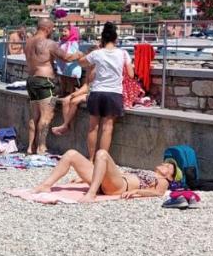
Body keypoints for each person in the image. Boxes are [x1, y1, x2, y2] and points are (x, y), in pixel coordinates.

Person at [31, 149, 177, 204]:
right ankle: (46, 184)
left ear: (170, 177)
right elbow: (116, 173)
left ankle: (92, 193)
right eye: (165, 163)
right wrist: (86, 178)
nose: (164, 165)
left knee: (102, 154)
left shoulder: (162, 181)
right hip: (111, 181)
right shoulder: (148, 172)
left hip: (119, 187)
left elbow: (158, 192)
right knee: (71, 154)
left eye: (168, 167)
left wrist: (137, 191)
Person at [25, 19, 83, 155]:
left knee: (34, 116)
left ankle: (30, 147)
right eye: (52, 29)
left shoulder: (28, 42)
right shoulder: (49, 43)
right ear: (47, 28)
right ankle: (41, 147)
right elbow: (67, 58)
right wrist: (80, 54)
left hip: (31, 81)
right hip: (46, 83)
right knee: (46, 115)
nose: (53, 32)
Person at [81, 22, 133, 156]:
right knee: (107, 128)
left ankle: (91, 159)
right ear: (116, 39)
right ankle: (101, 159)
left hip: (97, 92)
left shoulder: (97, 53)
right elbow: (131, 74)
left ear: (102, 39)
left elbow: (81, 62)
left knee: (93, 127)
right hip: (114, 93)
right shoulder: (123, 53)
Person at [55, 25, 83, 97]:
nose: (63, 33)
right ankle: (63, 93)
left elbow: (75, 54)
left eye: (65, 31)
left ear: (71, 32)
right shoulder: (62, 42)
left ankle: (70, 95)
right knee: (62, 80)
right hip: (62, 66)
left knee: (70, 82)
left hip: (70, 66)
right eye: (62, 31)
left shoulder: (74, 43)